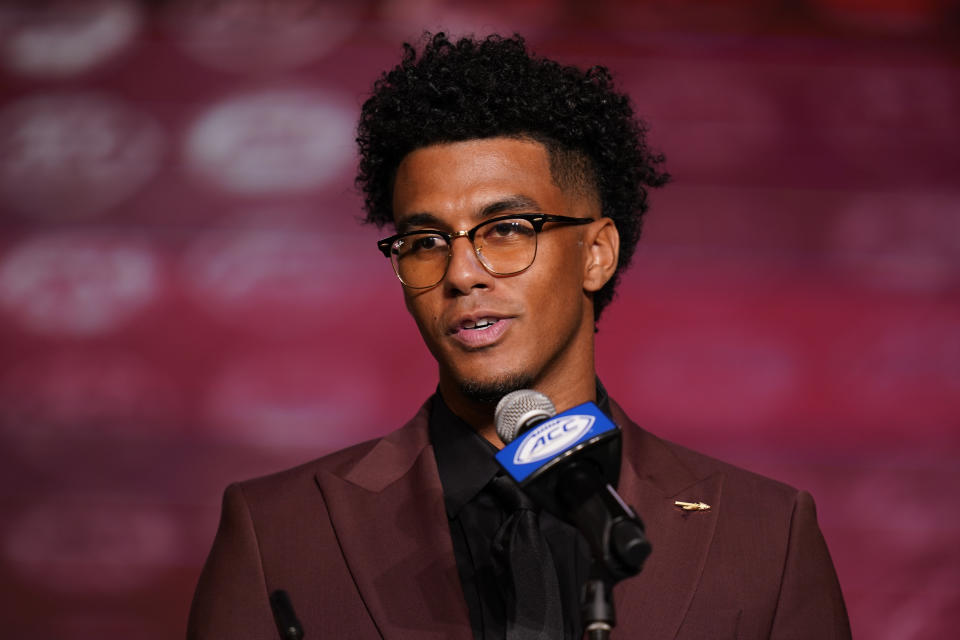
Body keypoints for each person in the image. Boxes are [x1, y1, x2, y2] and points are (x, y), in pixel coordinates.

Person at [187, 33, 850, 640]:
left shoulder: (764, 533)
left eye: (505, 230)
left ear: (596, 253)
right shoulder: (277, 531)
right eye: (425, 242)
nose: (461, 273)